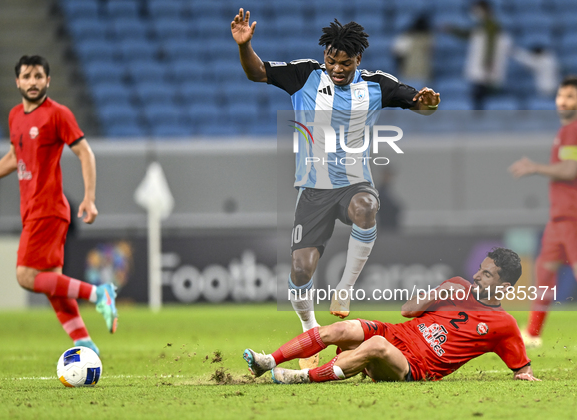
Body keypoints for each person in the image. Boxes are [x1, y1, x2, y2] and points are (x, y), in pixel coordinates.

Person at [231, 9, 440, 369]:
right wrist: (245, 46)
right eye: (332, 61)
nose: (337, 68)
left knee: (366, 207)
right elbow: (257, 72)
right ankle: (310, 330)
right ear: (325, 56)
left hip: (354, 182)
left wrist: (428, 104)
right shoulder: (304, 75)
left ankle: (345, 287)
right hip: (313, 188)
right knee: (301, 268)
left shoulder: (377, 84)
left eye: (345, 62)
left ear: (358, 59)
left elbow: (419, 104)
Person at [243, 248, 539, 383]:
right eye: (479, 269)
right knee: (343, 329)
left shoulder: (505, 325)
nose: (476, 276)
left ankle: (301, 377)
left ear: (504, 286)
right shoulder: (459, 287)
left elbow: (521, 368)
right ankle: (268, 362)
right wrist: (440, 291)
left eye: (486, 275)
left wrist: (525, 377)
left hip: (415, 366)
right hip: (399, 333)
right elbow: (407, 311)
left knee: (375, 347)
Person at [0, 55, 117, 356]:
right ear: (17, 81)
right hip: (31, 208)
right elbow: (14, 156)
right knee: (52, 284)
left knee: (25, 276)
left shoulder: (57, 114)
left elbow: (85, 153)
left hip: (48, 208)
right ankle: (85, 344)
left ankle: (99, 293)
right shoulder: (15, 115)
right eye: (27, 76)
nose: (33, 82)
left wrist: (89, 197)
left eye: (38, 76)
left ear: (48, 80)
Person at [509, 76, 577, 348]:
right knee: (545, 272)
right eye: (561, 96)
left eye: (570, 97)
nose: (563, 101)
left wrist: (536, 168)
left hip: (573, 216)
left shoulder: (573, 130)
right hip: (559, 218)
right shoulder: (565, 131)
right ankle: (533, 333)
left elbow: (571, 169)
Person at [443, 0, 512, 110]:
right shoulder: (482, 26)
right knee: (479, 94)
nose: (474, 13)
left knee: (484, 95)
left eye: (476, 11)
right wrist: (452, 30)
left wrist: (488, 61)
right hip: (482, 68)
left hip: (486, 67)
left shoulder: (491, 26)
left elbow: (491, 43)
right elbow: (469, 34)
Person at [392, 15, 434, 85]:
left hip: (422, 76)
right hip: (408, 76)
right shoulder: (406, 38)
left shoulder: (429, 39)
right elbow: (397, 56)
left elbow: (397, 55)